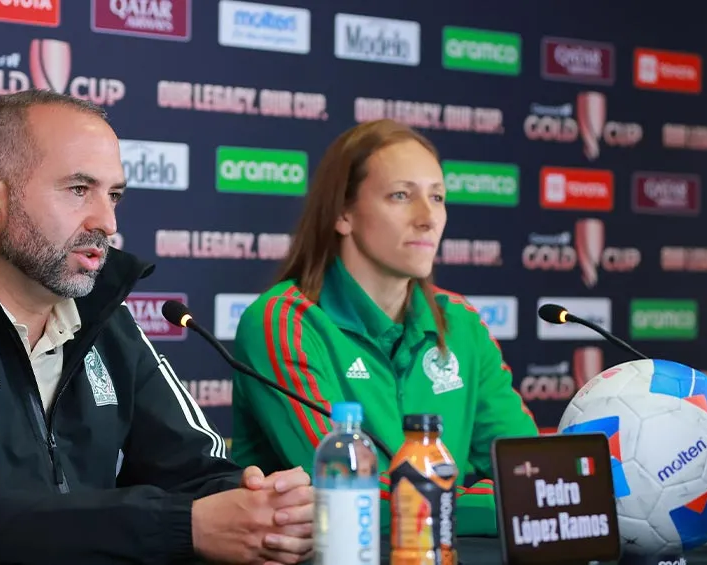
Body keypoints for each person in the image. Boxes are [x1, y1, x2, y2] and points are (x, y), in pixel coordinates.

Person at [0, 89, 314, 565]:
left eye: (113, 195)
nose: (107, 224)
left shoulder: (107, 319)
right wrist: (180, 526)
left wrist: (262, 508)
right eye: (79, 189)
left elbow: (196, 466)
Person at [230, 119, 538, 538]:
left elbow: (528, 473)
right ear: (343, 214)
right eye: (401, 195)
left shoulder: (460, 323)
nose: (428, 218)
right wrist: (499, 504)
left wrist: (522, 495)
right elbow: (351, 498)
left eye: (438, 197)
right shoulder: (284, 324)